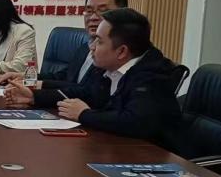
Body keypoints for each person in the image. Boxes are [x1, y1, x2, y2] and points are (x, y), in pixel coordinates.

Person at [22, 9, 179, 140]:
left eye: (99, 41)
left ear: (122, 51)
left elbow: (134, 122)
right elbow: (85, 92)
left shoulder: (152, 76)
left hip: (153, 156)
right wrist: (34, 97)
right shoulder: (110, 67)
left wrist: (84, 114)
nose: (92, 47)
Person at [0, 0, 128, 102]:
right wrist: (27, 77)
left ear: (123, 13)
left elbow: (86, 90)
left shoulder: (117, 53)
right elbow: (65, 76)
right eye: (89, 11)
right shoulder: (84, 47)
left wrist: (36, 91)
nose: (93, 17)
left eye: (103, 11)